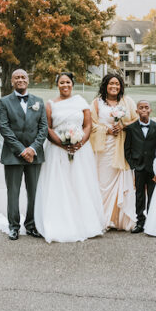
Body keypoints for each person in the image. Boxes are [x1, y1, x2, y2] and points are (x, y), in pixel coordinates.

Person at [33, 72, 106, 243]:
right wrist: (61, 143)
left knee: (79, 183)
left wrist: (80, 142)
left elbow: (88, 125)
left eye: (68, 82)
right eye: (61, 82)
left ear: (72, 84)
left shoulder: (81, 102)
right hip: (57, 149)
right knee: (60, 183)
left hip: (80, 149)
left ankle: (84, 221)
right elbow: (48, 128)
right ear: (57, 84)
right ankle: (60, 221)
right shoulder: (50, 104)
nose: (65, 85)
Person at [0, 69, 48, 240]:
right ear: (12, 81)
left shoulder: (39, 102)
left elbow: (43, 128)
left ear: (28, 80)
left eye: (23, 77)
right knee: (13, 192)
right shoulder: (4, 102)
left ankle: (31, 225)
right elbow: (4, 128)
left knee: (33, 192)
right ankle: (13, 226)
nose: (20, 80)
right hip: (13, 155)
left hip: (34, 155)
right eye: (17, 77)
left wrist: (32, 149)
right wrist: (21, 149)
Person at [91, 73, 138, 231]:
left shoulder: (127, 101)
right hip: (103, 147)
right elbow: (91, 124)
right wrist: (107, 129)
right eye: (111, 84)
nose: (114, 87)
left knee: (121, 180)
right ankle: (102, 218)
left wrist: (123, 126)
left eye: (117, 84)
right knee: (103, 182)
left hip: (122, 145)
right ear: (105, 85)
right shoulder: (97, 103)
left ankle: (119, 219)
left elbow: (136, 119)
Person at [124, 100, 156, 234]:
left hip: (152, 168)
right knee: (139, 195)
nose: (144, 110)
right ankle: (140, 221)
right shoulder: (131, 128)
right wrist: (133, 165)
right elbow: (127, 149)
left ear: (150, 110)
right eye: (141, 108)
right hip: (138, 167)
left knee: (152, 195)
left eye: (146, 107)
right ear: (137, 111)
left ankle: (151, 221)